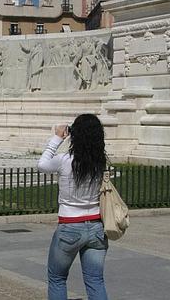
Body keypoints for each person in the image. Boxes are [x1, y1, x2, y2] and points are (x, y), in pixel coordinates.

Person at [38, 114, 109, 300]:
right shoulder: (100, 163)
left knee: (57, 278)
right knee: (95, 280)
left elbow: (42, 164)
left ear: (75, 134)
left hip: (69, 225)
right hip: (96, 226)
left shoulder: (65, 160)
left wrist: (57, 138)